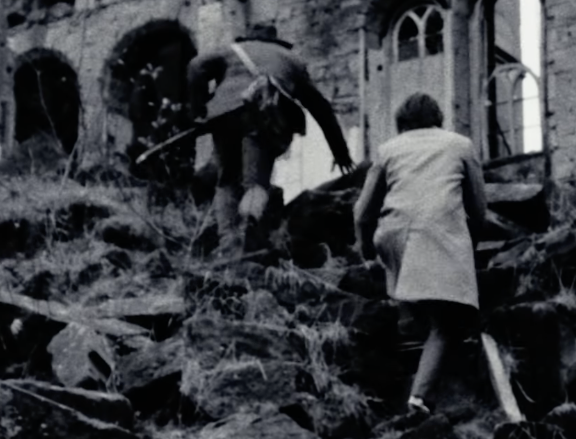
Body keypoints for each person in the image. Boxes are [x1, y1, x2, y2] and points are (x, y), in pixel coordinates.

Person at [354, 92, 493, 416]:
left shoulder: (389, 149)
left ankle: (407, 316)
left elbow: (363, 212)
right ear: (438, 119)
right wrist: (468, 246)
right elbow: (479, 209)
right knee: (447, 324)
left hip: (392, 236)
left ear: (401, 123)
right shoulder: (460, 145)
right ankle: (419, 398)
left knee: (408, 273)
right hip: (436, 233)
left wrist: (364, 249)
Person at [187, 24, 353, 253]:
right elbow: (320, 107)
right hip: (263, 116)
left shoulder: (230, 50)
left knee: (226, 180)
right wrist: (340, 151)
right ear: (275, 41)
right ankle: (248, 235)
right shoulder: (291, 59)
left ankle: (228, 243)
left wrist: (199, 109)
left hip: (224, 116)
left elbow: (196, 66)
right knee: (255, 182)